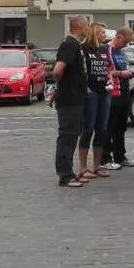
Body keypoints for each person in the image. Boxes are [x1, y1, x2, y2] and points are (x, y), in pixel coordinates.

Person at [53, 15, 90, 188]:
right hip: (69, 99)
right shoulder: (69, 44)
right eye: (87, 26)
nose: (88, 29)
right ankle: (65, 175)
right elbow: (58, 70)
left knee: (73, 135)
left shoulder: (76, 45)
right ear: (80, 26)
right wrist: (60, 86)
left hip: (77, 98)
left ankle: (69, 172)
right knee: (67, 137)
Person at [77, 23, 115, 180]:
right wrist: (85, 88)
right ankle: (83, 167)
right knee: (88, 128)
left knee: (102, 129)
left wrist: (110, 79)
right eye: (102, 32)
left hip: (105, 91)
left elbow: (109, 67)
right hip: (90, 92)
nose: (104, 35)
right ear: (94, 33)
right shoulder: (84, 48)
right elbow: (79, 70)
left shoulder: (104, 49)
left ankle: (97, 166)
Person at [102, 27, 134, 171]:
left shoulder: (120, 52)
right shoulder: (107, 49)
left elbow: (123, 68)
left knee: (121, 126)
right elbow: (105, 71)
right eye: (125, 42)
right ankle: (105, 157)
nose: (126, 45)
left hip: (124, 90)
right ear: (119, 37)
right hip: (113, 92)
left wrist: (129, 73)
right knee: (110, 126)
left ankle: (120, 156)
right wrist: (122, 73)